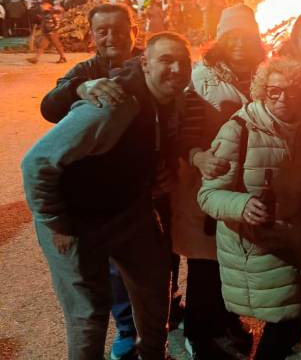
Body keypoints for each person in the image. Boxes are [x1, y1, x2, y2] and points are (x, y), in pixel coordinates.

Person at [22, 32, 193, 360]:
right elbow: (35, 163)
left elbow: (153, 145)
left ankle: (153, 354)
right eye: (165, 60)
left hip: (127, 212)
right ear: (144, 64)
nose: (176, 69)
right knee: (88, 315)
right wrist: (55, 221)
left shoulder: (172, 101)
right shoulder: (114, 106)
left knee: (155, 285)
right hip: (74, 219)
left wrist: (160, 172)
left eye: (182, 62)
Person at [197, 56, 301, 360]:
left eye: (292, 91)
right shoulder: (239, 130)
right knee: (290, 315)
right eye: (274, 91)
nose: (283, 99)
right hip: (257, 246)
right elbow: (208, 194)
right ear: (261, 92)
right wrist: (242, 205)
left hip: (295, 239)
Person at [37, 2, 144, 359]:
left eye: (118, 28)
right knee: (108, 279)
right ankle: (127, 332)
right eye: (103, 30)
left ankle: (152, 330)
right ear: (93, 35)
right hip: (96, 199)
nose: (111, 36)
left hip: (140, 193)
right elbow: (50, 105)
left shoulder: (150, 62)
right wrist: (80, 88)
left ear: (134, 29)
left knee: (154, 272)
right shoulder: (86, 71)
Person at [174, 4, 265, 358]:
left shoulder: (263, 74)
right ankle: (198, 331)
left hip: (244, 183)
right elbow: (185, 131)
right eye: (232, 36)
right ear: (221, 38)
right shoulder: (202, 79)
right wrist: (198, 156)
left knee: (232, 259)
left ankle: (226, 321)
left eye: (246, 35)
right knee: (204, 262)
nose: (239, 43)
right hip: (208, 183)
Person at [27, 0, 67, 64]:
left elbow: (57, 23)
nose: (42, 7)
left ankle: (63, 58)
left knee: (57, 45)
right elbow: (45, 22)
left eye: (43, 6)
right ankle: (35, 59)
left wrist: (52, 30)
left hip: (52, 32)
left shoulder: (54, 12)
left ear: (47, 5)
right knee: (42, 45)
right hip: (47, 32)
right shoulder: (46, 13)